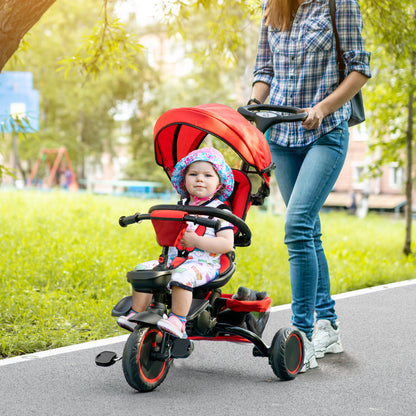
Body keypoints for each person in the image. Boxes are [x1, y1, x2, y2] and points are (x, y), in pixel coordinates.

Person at [248, 0, 371, 371]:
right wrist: (254, 103)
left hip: (324, 132)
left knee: (297, 224)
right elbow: (265, 68)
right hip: (281, 133)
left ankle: (300, 337)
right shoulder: (273, 6)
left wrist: (324, 107)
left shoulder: (340, 3)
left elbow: (360, 68)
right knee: (308, 230)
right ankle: (327, 325)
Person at [117, 147, 235, 338]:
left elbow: (226, 244)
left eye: (208, 175)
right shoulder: (178, 207)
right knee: (143, 270)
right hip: (173, 261)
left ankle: (178, 320)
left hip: (204, 263)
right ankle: (137, 313)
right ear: (184, 179)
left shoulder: (221, 212)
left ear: (220, 183)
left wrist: (197, 240)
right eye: (193, 174)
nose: (199, 179)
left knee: (181, 277)